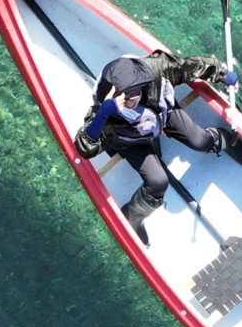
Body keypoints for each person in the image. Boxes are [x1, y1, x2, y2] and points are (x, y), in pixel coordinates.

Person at [75, 48, 231, 243]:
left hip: (161, 114)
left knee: (201, 141)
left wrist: (222, 73)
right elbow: (84, 148)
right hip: (132, 141)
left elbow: (187, 67)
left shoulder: (153, 69)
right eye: (125, 98)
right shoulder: (102, 114)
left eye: (135, 93)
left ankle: (226, 139)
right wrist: (103, 114)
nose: (133, 100)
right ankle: (132, 216)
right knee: (158, 182)